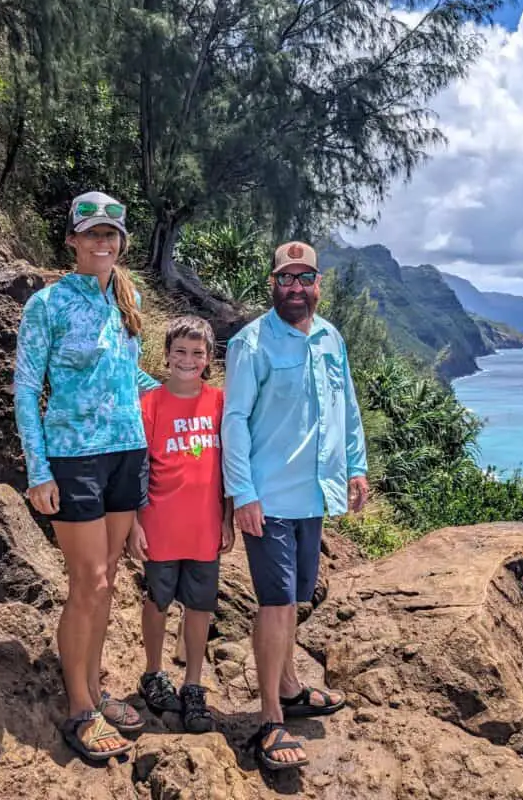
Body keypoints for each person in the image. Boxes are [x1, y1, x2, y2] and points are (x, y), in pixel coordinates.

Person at [14, 191, 158, 761]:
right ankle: (79, 706)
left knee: (111, 580)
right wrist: (38, 470)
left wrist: (196, 398)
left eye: (113, 234)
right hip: (74, 458)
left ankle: (96, 687)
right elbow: (26, 388)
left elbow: (130, 380)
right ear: (73, 239)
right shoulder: (46, 305)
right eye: (93, 232)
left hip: (128, 452)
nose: (104, 241)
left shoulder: (130, 300)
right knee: (89, 582)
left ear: (121, 242)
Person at [221, 240, 368, 773]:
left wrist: (356, 465)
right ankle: (270, 717)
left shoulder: (331, 337)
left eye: (305, 279)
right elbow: (233, 420)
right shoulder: (251, 343)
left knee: (296, 596)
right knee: (277, 602)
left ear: (318, 285)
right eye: (287, 279)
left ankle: (289, 684)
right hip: (270, 497)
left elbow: (345, 406)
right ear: (273, 284)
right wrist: (244, 493)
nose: (297, 289)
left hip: (314, 495)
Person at [127, 316, 234, 733]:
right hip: (160, 525)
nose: (188, 360)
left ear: (208, 359)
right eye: (180, 352)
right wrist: (136, 523)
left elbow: (229, 466)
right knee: (157, 600)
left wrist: (227, 517)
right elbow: (138, 468)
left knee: (201, 606)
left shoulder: (221, 403)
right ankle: (153, 672)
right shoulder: (150, 404)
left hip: (205, 527)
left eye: (197, 353)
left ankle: (193, 684)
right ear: (167, 355)